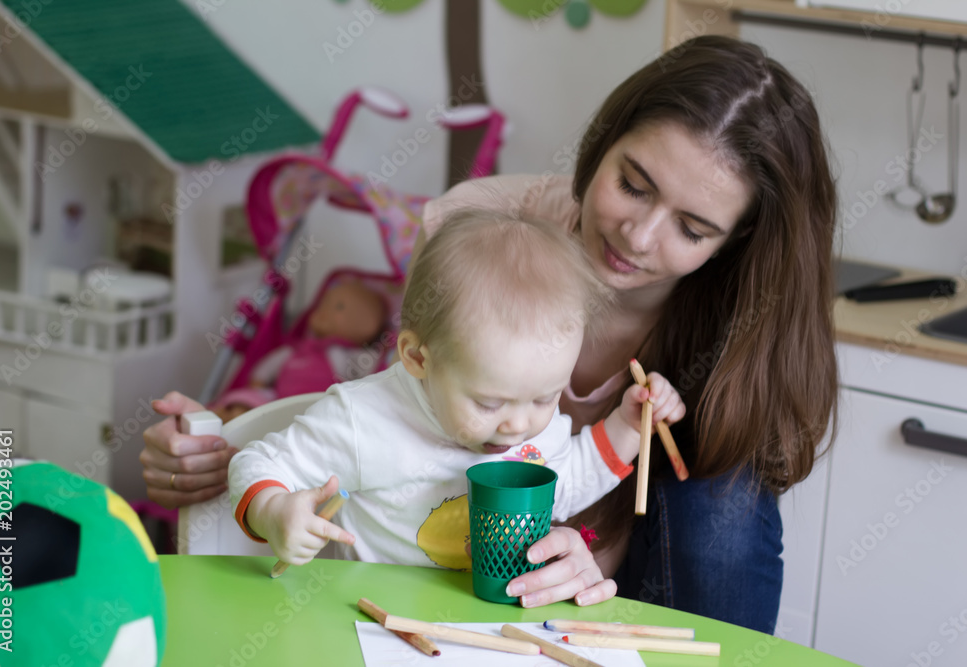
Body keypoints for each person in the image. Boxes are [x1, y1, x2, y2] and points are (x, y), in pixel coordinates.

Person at [141, 35, 838, 633]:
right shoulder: (480, 232)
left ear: (734, 241)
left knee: (725, 500)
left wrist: (588, 549)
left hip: (593, 573)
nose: (639, 234)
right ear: (606, 138)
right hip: (453, 573)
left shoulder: (741, 316)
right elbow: (406, 426)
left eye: (692, 229)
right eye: (632, 183)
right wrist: (227, 447)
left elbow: (584, 471)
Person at [227, 211, 660, 571]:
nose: (520, 424)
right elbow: (256, 462)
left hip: (486, 626)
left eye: (547, 397)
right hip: (371, 623)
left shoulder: (531, 428)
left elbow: (564, 486)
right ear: (417, 358)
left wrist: (628, 424)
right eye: (489, 402)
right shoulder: (363, 419)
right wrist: (274, 511)